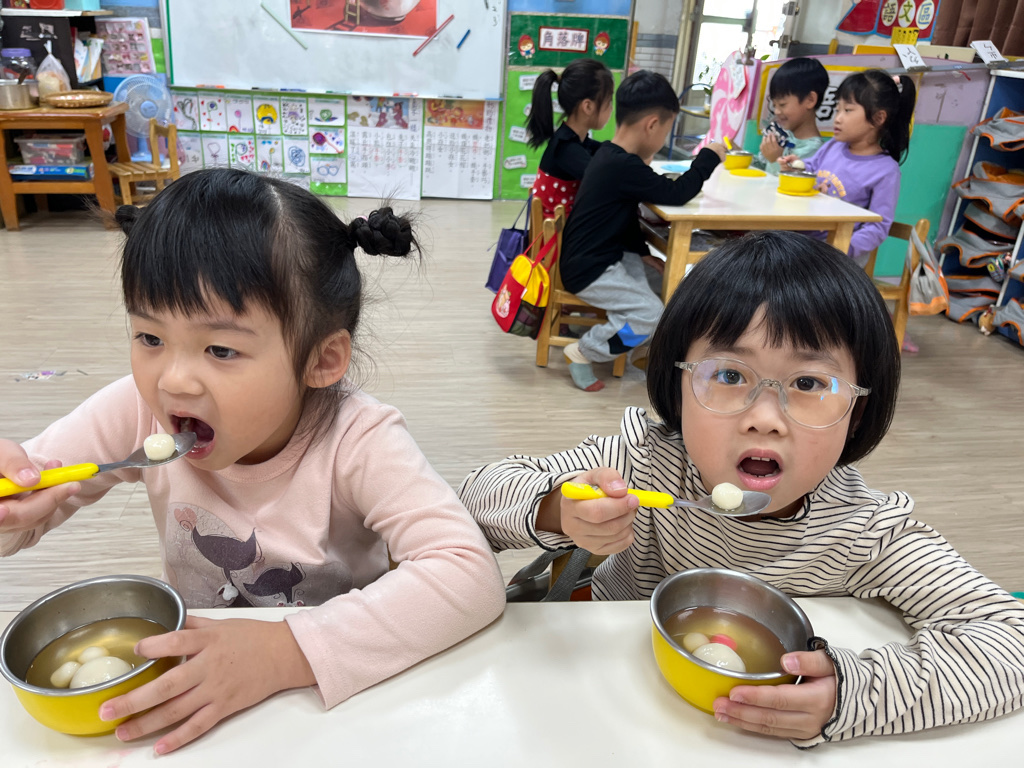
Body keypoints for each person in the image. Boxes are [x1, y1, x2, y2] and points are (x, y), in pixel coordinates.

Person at [0, 169, 505, 755]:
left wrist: (281, 652)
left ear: (321, 360)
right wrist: (15, 506)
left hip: (338, 692)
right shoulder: (136, 409)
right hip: (205, 689)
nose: (173, 380)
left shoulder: (358, 438)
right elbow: (30, 501)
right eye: (149, 338)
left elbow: (468, 574)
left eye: (220, 349)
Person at [459, 231, 1024, 746]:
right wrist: (558, 508)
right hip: (603, 691)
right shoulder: (646, 462)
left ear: (856, 413)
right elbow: (473, 497)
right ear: (678, 386)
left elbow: (1009, 638)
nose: (764, 419)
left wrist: (851, 694)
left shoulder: (864, 531)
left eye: (809, 382)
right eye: (729, 375)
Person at [558, 70, 725, 392]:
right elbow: (677, 193)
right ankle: (585, 350)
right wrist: (708, 157)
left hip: (605, 256)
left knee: (671, 288)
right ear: (652, 124)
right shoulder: (623, 165)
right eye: (667, 129)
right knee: (649, 313)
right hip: (590, 269)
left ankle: (642, 349)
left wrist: (643, 253)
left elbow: (621, 216)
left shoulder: (612, 155)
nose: (663, 136)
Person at [780, 69, 917, 268]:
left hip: (841, 256)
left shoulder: (886, 170)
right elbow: (811, 168)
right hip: (804, 240)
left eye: (848, 110)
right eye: (837, 110)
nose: (838, 118)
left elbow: (878, 226)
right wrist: (796, 168)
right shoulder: (833, 146)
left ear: (878, 118)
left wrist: (843, 247)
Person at [526, 58, 615, 217]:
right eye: (608, 102)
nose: (611, 109)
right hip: (560, 232)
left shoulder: (575, 141)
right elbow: (604, 181)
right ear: (588, 106)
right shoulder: (566, 148)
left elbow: (605, 151)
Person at [753, 57, 829, 175]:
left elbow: (791, 183)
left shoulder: (816, 152)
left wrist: (776, 160)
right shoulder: (783, 137)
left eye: (782, 104)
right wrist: (734, 152)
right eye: (774, 105)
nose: (777, 111)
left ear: (810, 100)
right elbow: (761, 168)